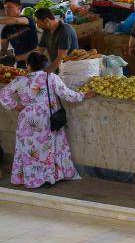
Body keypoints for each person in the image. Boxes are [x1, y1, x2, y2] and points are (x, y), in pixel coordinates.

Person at [0, 52, 80, 189]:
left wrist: (15, 106)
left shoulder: (20, 80)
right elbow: (67, 95)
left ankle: (31, 178)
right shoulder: (51, 78)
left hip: (27, 121)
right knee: (48, 148)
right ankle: (49, 177)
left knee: (29, 149)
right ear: (44, 65)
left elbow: (3, 94)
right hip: (47, 119)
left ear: (28, 65)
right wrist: (83, 95)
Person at [0, 0, 38, 68]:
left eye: (10, 7)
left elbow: (16, 20)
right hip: (20, 65)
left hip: (36, 61)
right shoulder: (5, 30)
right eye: (5, 8)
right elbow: (3, 50)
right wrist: (3, 56)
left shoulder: (27, 19)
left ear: (19, 7)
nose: (7, 10)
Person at [33, 8, 75, 73]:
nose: (37, 25)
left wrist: (46, 73)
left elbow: (61, 57)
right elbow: (39, 50)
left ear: (46, 20)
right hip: (60, 69)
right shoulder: (46, 30)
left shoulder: (64, 30)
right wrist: (31, 66)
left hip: (71, 70)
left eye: (38, 22)